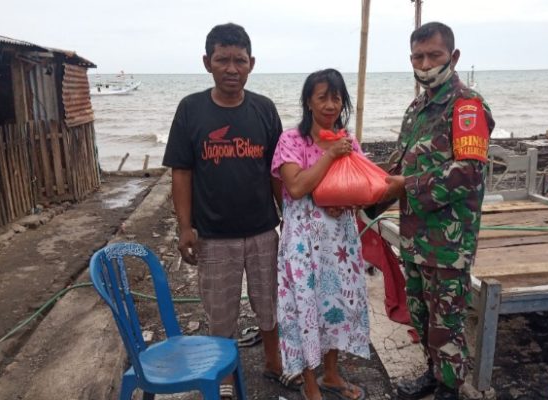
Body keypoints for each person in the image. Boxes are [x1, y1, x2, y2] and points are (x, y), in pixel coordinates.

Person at [162, 22, 301, 397]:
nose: (231, 68)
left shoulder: (264, 109)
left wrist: (288, 217)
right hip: (214, 236)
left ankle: (274, 363)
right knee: (220, 311)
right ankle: (223, 376)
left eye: (239, 60)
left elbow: (276, 170)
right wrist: (185, 227)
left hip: (262, 230)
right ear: (207, 62)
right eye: (222, 59)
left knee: (270, 304)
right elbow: (182, 172)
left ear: (251, 63)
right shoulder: (191, 109)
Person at [381, 22, 495, 400]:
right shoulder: (416, 108)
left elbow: (469, 172)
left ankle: (449, 388)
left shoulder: (466, 105)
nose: (426, 64)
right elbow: (397, 165)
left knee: (447, 321)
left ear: (453, 57)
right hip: (414, 236)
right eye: (418, 57)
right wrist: (360, 192)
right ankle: (433, 373)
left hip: (449, 241)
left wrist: (406, 185)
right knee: (420, 313)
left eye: (435, 55)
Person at [271, 68, 370, 400]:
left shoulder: (347, 141)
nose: (330, 105)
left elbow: (362, 186)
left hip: (339, 241)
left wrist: (346, 201)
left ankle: (331, 374)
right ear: (308, 102)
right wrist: (330, 155)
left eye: (336, 97)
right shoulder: (291, 140)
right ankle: (310, 384)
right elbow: (296, 187)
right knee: (305, 308)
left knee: (335, 305)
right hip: (303, 241)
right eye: (322, 97)